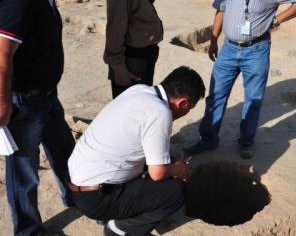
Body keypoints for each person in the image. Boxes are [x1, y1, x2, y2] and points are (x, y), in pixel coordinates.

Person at [184, 0, 296, 159]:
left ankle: (246, 141)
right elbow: (221, 8)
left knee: (253, 98)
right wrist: (214, 38)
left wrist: (277, 20)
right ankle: (208, 139)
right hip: (229, 48)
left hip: (257, 49)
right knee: (216, 95)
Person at [67, 66, 205, 236]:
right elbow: (158, 173)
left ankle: (115, 213)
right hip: (96, 199)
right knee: (176, 192)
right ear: (182, 103)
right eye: (189, 108)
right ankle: (120, 229)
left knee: (157, 166)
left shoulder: (139, 90)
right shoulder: (160, 112)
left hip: (77, 181)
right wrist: (179, 168)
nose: (186, 112)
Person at [0, 0, 79, 236]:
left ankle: (77, 198)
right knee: (24, 174)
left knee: (65, 154)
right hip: (23, 103)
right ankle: (28, 231)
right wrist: (3, 103)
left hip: (47, 98)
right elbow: (2, 54)